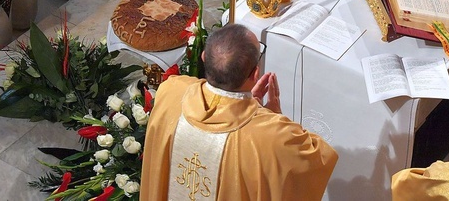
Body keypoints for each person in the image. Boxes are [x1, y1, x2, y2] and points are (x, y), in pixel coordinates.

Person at [140, 24, 338, 200]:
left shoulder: (171, 91)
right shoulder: (273, 137)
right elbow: (320, 158)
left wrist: (254, 108)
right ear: (255, 73)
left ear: (203, 57)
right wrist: (274, 117)